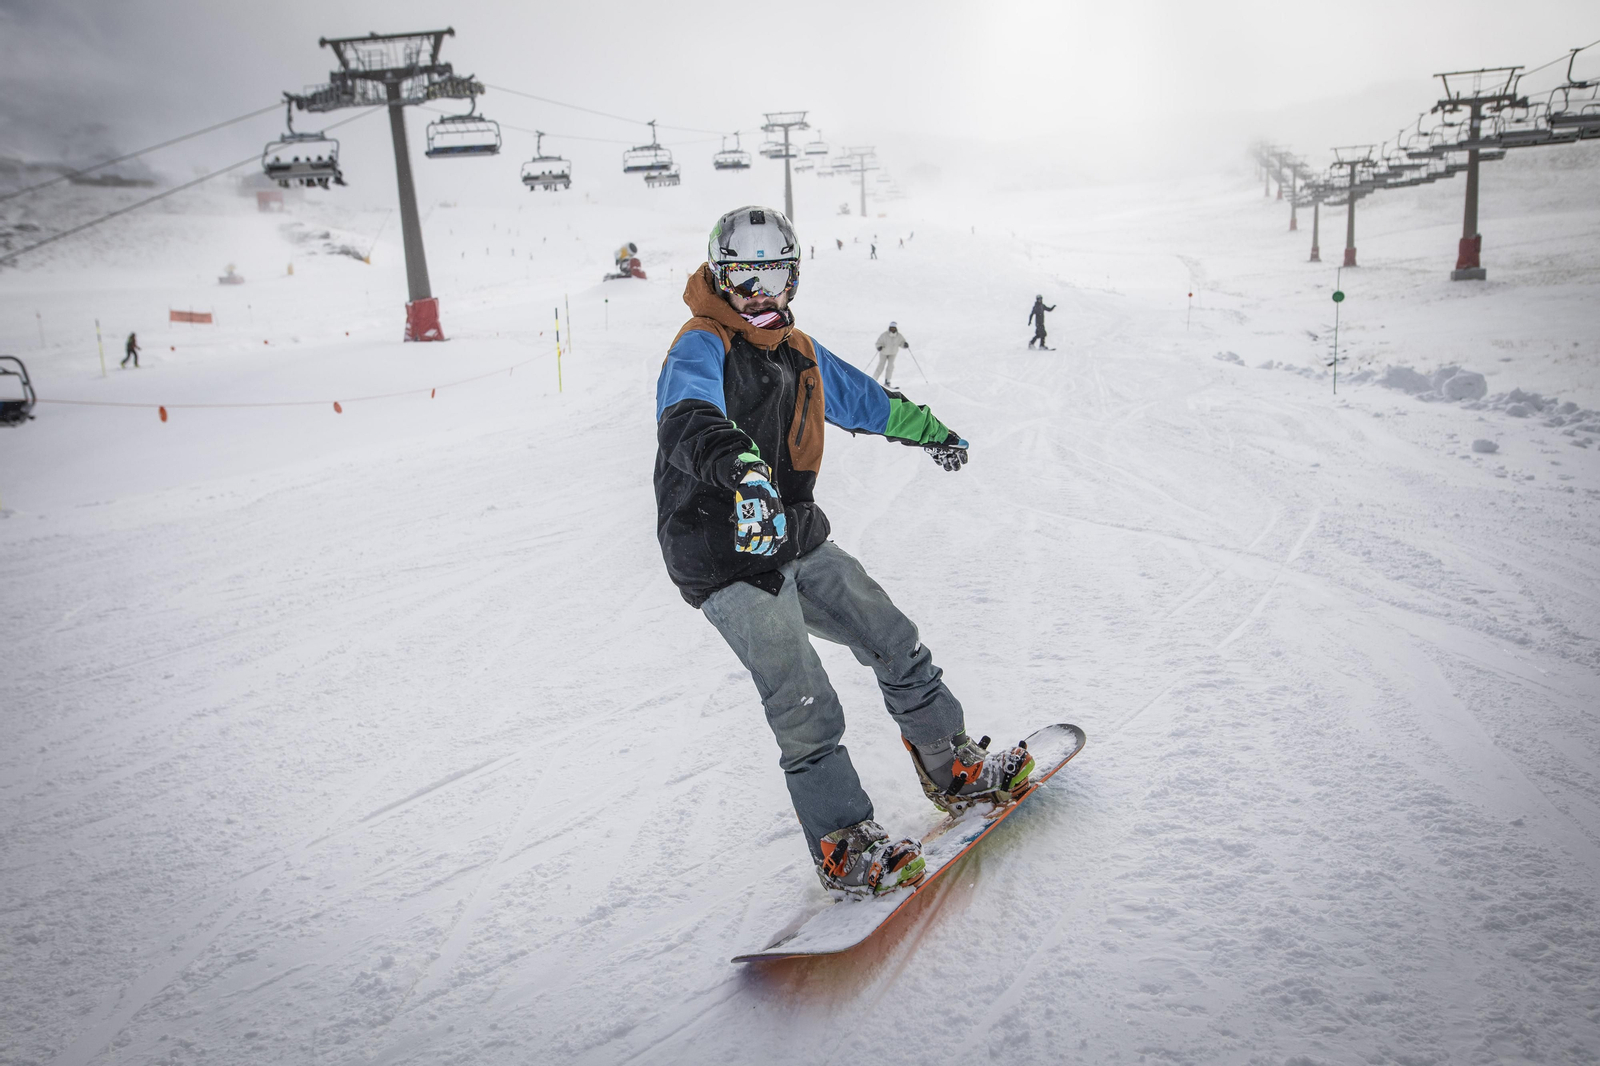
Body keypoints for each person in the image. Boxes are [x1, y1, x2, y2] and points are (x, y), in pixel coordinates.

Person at [654, 206, 1035, 898]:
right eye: (745, 279)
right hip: (725, 554)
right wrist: (742, 472)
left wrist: (929, 430)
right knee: (806, 703)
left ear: (792, 278)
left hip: (793, 535)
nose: (761, 295)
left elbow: (862, 398)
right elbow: (688, 419)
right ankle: (844, 842)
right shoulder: (700, 344)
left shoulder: (797, 349)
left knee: (894, 640)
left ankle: (952, 765)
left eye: (774, 276)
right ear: (721, 277)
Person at [871, 321, 910, 388]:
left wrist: (905, 345)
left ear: (896, 328)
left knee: (890, 366)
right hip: (884, 352)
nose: (892, 329)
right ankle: (873, 380)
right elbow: (878, 342)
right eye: (891, 328)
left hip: (893, 353)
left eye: (894, 328)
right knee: (881, 366)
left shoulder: (899, 336)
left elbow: (902, 343)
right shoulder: (884, 335)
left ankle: (887, 381)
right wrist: (879, 347)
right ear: (889, 328)